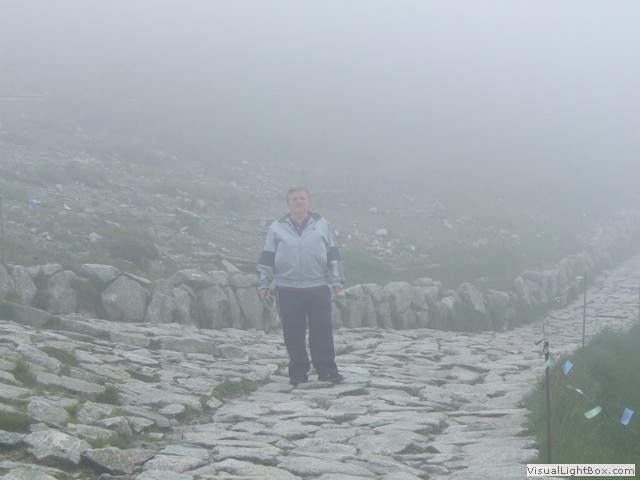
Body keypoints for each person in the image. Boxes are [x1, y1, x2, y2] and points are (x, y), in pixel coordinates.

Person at [257, 186, 345, 386]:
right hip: (287, 289)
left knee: (322, 331)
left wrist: (337, 279)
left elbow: (333, 253)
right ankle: (298, 372)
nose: (299, 202)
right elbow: (267, 257)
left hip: (317, 287)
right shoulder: (276, 228)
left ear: (308, 201)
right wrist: (263, 284)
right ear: (288, 203)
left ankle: (327, 370)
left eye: (302, 198)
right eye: (294, 199)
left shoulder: (322, 225)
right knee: (292, 333)